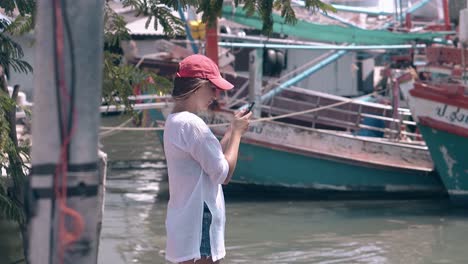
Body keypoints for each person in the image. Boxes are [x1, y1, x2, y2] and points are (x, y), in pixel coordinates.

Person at [163, 54, 252, 264]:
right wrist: (238, 134)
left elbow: (211, 162)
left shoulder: (174, 121)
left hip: (185, 221)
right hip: (199, 220)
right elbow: (223, 173)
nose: (216, 94)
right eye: (212, 87)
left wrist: (231, 130)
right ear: (197, 86)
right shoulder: (192, 124)